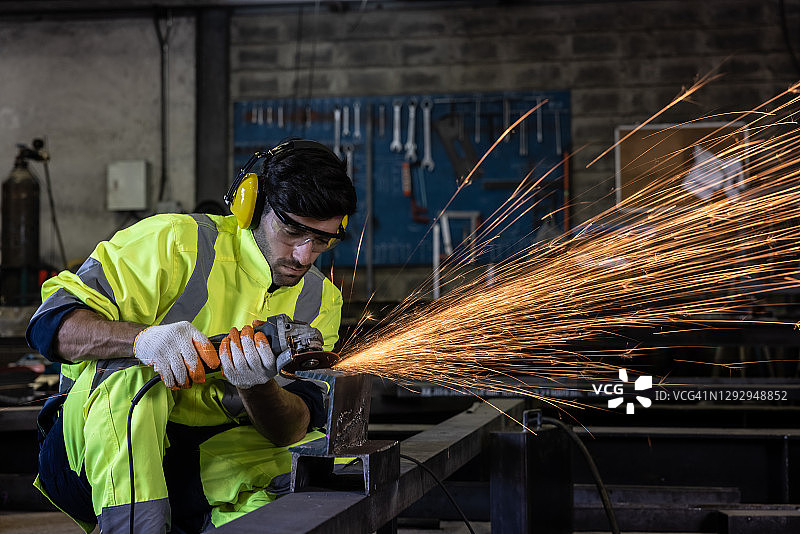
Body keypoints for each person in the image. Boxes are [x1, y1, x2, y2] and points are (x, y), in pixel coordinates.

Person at [26, 139, 357, 533]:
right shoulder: (175, 243)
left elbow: (291, 428)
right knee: (134, 381)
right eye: (292, 231)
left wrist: (256, 386)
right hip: (95, 449)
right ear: (251, 205)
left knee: (319, 456)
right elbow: (51, 326)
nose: (304, 256)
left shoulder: (321, 300)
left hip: (199, 458)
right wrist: (143, 341)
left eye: (321, 240)